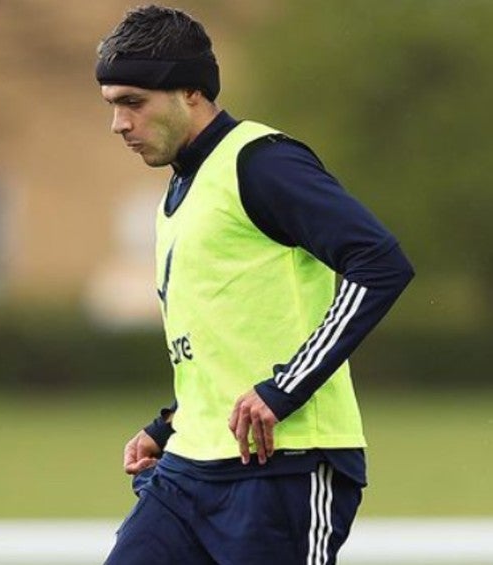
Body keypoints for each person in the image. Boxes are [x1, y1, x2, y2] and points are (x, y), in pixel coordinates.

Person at [95, 6, 414, 565]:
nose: (119, 123)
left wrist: (283, 389)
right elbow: (229, 336)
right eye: (113, 105)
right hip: (187, 472)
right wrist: (168, 426)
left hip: (283, 468)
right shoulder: (179, 193)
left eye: (133, 103)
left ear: (191, 92)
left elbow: (380, 262)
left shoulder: (261, 163)